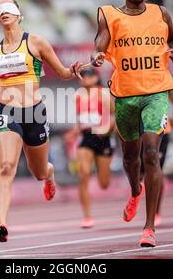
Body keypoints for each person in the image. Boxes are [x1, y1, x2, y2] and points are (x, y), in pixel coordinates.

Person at [0, 0, 83, 242]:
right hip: (6, 111)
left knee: (38, 171)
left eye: (9, 7)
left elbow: (62, 73)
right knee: (6, 167)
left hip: (34, 112)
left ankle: (49, 176)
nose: (4, 11)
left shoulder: (36, 42)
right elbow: (0, 79)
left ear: (18, 14)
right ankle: (2, 224)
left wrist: (72, 70)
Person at [90, 0, 173, 247]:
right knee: (131, 159)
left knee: (151, 155)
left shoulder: (161, 13)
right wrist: (96, 55)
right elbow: (100, 43)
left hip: (156, 92)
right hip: (125, 95)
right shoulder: (110, 14)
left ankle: (149, 227)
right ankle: (134, 190)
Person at [65, 67, 115, 228]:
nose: (84, 79)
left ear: (95, 78)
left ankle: (105, 175)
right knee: (83, 173)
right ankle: (87, 216)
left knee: (104, 184)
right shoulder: (78, 96)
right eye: (82, 76)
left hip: (102, 138)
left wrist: (107, 129)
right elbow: (80, 120)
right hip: (86, 138)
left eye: (88, 76)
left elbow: (116, 115)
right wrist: (74, 132)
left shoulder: (104, 94)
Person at [140, 90, 173, 226]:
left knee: (156, 170)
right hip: (141, 130)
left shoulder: (164, 84)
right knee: (140, 173)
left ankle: (156, 212)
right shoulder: (136, 81)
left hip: (162, 131)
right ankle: (136, 194)